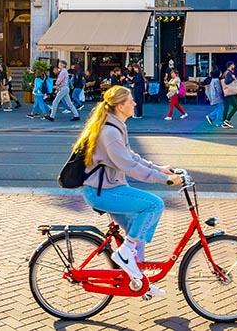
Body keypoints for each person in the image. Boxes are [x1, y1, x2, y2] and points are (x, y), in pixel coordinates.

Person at [73, 86, 183, 297]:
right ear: (120, 106)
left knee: (137, 232)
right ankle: (124, 255)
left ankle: (138, 279)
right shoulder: (110, 132)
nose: (135, 103)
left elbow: (131, 156)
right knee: (154, 204)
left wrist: (158, 168)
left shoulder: (116, 126)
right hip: (103, 192)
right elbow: (129, 166)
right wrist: (164, 180)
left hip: (111, 187)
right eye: (131, 101)